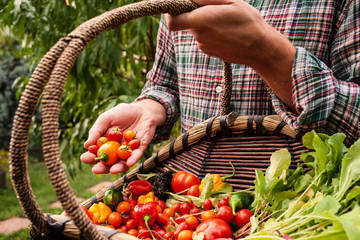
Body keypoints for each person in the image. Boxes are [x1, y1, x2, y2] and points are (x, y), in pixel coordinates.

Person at [80, 0, 360, 174]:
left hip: (296, 206)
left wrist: (269, 55)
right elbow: (164, 83)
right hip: (191, 204)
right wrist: (147, 108)